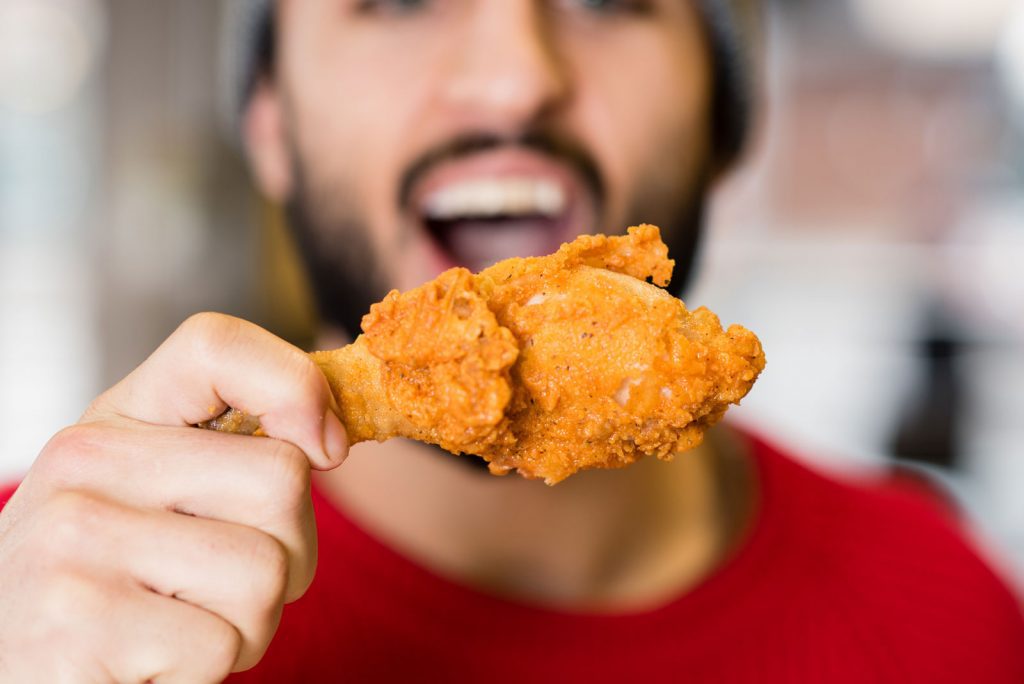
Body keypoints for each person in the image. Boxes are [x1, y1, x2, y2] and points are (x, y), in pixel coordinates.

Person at [1, 0, 1022, 681]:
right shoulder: (42, 583)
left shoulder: (948, 624)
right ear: (269, 124)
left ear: (726, 110)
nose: (511, 79)